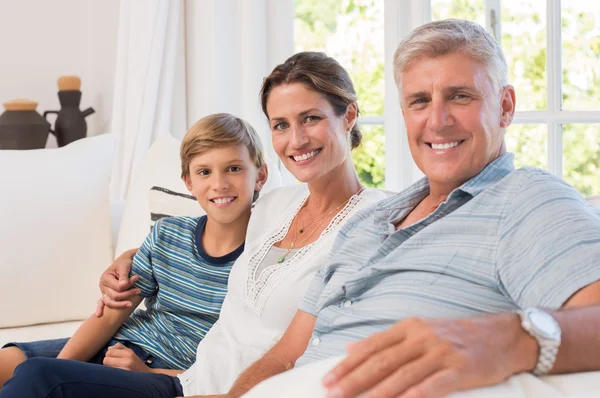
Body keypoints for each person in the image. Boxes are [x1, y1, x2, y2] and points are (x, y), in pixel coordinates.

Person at [212, 19, 600, 398]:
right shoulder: (364, 224)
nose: (438, 120)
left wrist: (507, 337)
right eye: (419, 102)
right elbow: (284, 356)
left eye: (460, 96)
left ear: (505, 106)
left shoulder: (526, 197)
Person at [0, 52, 388, 398]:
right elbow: (210, 238)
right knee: (26, 369)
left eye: (311, 118)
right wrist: (130, 256)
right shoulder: (274, 207)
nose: (296, 139)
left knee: (40, 377)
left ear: (349, 115)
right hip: (184, 375)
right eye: (280, 124)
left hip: (204, 384)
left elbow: (304, 349)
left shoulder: (370, 223)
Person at [0, 112, 269, 391]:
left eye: (234, 169)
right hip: (116, 344)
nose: (219, 184)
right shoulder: (167, 233)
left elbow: (246, 363)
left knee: (36, 377)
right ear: (189, 182)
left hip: (160, 371)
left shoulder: (266, 259)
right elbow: (111, 315)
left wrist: (153, 373)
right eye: (204, 172)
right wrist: (63, 367)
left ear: (260, 175)